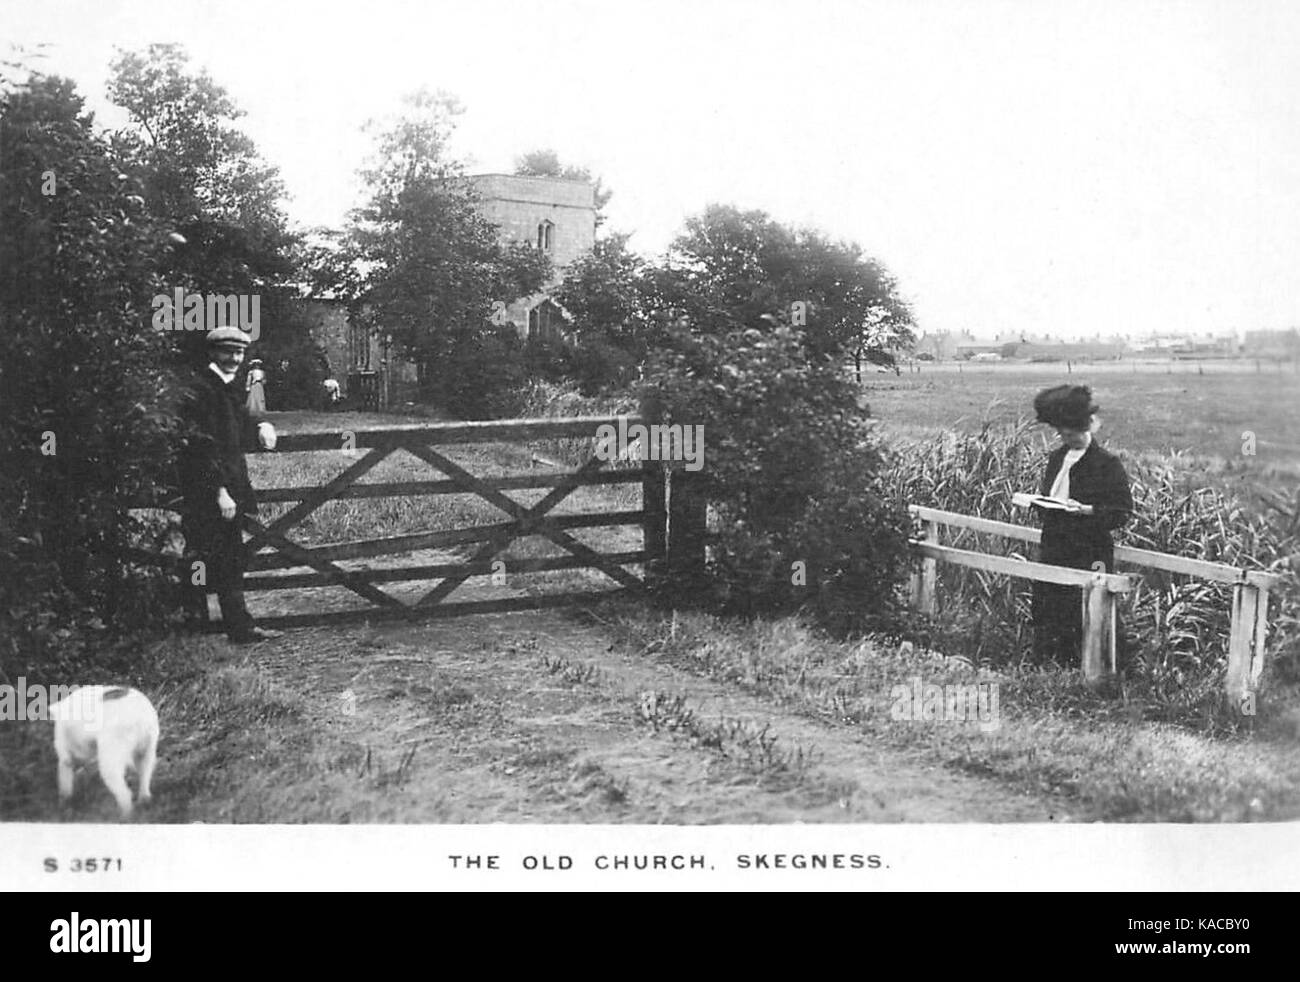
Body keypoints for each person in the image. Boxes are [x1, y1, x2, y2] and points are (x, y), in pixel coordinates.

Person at [178, 327, 282, 643]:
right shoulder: (201, 390)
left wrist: (262, 424)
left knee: (229, 558)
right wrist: (220, 491)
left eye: (239, 353)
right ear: (213, 353)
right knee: (201, 555)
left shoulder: (227, 388)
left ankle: (236, 627)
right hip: (209, 491)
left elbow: (239, 421)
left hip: (227, 489)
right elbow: (200, 447)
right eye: (228, 352)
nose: (235, 358)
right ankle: (197, 624)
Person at [1029, 384, 1133, 665]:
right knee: (1052, 607)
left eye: (1070, 433)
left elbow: (1121, 512)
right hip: (1054, 545)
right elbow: (1051, 495)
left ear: (1085, 427)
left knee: (1090, 610)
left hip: (1088, 550)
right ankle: (1053, 667)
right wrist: (1040, 505)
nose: (1065, 438)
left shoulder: (1106, 464)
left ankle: (1102, 671)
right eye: (1061, 433)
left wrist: (1084, 510)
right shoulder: (1057, 458)